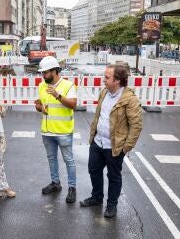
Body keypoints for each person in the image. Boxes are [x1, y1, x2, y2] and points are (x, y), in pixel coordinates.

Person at [80, 64, 143, 218]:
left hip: (115, 146)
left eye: (107, 78)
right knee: (94, 170)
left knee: (114, 176)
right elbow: (99, 116)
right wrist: (93, 135)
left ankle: (112, 205)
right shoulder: (104, 92)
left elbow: (136, 125)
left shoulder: (129, 100)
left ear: (117, 80)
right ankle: (97, 198)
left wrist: (126, 147)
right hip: (98, 142)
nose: (103, 80)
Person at [34, 56, 78, 203]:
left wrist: (57, 95)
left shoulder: (68, 85)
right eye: (42, 73)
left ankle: (72, 187)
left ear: (54, 71)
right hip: (47, 131)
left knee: (68, 160)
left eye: (45, 72)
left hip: (63, 131)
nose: (43, 75)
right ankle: (55, 183)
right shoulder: (42, 86)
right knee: (51, 159)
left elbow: (73, 104)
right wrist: (40, 107)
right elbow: (39, 104)